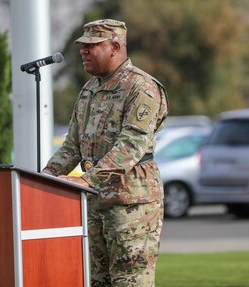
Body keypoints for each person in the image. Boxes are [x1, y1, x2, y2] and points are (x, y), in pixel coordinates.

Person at [42, 19, 169, 287]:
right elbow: (72, 145)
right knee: (99, 281)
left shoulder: (142, 88)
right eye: (83, 46)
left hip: (131, 203)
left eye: (92, 45)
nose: (83, 51)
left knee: (129, 282)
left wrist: (87, 180)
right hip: (95, 203)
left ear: (115, 47)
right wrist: (44, 179)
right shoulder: (89, 90)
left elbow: (131, 145)